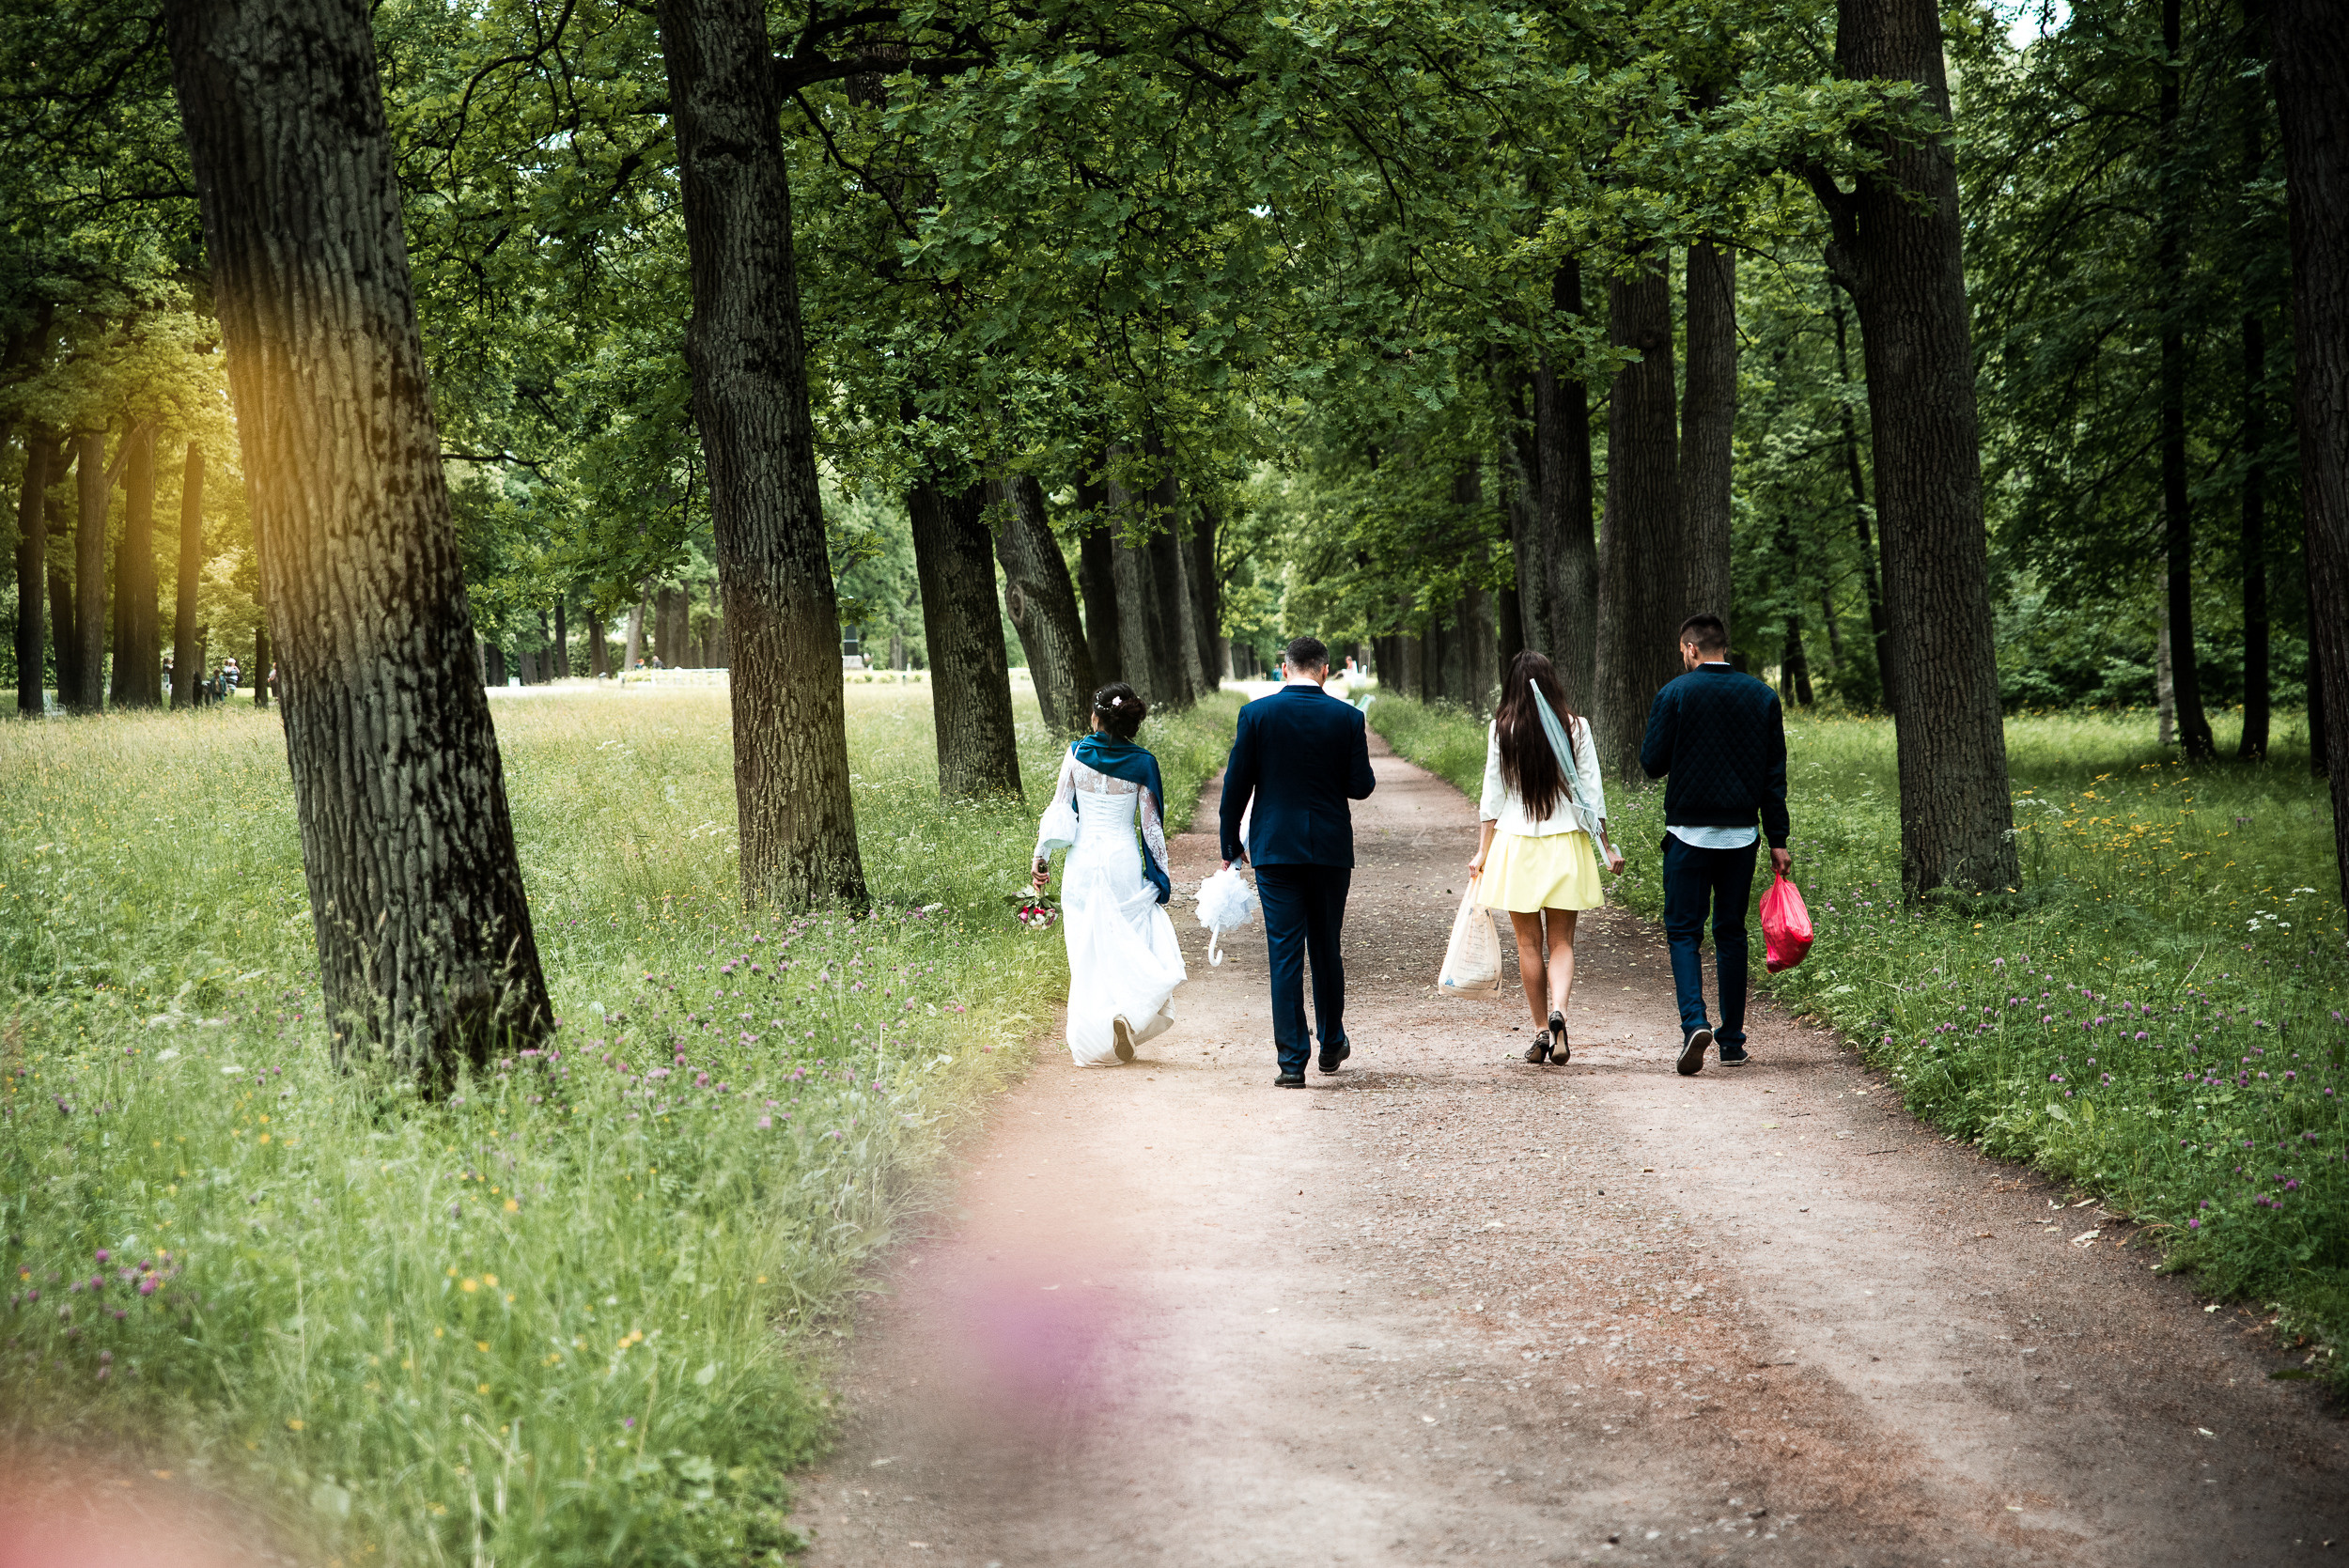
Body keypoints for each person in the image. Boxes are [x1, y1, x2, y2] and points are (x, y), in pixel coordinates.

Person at [1218, 635, 1377, 1087]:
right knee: (1326, 945)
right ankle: (1331, 1043)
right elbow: (1361, 785)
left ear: (1284, 669)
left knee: (1284, 951)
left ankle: (1291, 1064)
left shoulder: (1256, 715)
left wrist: (1231, 845)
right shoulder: (1348, 717)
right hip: (1328, 848)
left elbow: (1236, 785)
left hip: (1275, 848)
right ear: (1325, 670)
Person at [1640, 613, 1791, 1075]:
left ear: (1690, 649)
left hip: (1688, 833)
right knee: (1731, 932)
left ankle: (1694, 1025)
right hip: (1742, 836)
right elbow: (1773, 777)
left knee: (1684, 931)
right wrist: (1778, 838)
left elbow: (1651, 763)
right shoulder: (1762, 697)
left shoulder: (1675, 693)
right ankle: (1731, 1043)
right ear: (1724, 646)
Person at [1468, 650, 1626, 1065]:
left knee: (1527, 943)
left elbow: (1493, 797)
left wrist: (1482, 851)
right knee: (1561, 942)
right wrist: (1606, 846)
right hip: (1565, 844)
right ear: (1551, 683)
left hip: (1516, 844)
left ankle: (1541, 1029)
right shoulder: (1576, 727)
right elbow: (1591, 794)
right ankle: (1562, 1012)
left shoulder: (1502, 729)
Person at [1031, 683, 1187, 1065]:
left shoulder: (1076, 753)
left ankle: (1097, 1035)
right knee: (1127, 940)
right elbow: (1151, 827)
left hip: (1083, 862)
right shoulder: (1144, 762)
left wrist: (1042, 857)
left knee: (1086, 950)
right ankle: (1127, 1014)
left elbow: (1059, 809)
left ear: (1096, 716)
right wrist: (1161, 877)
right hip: (1122, 861)